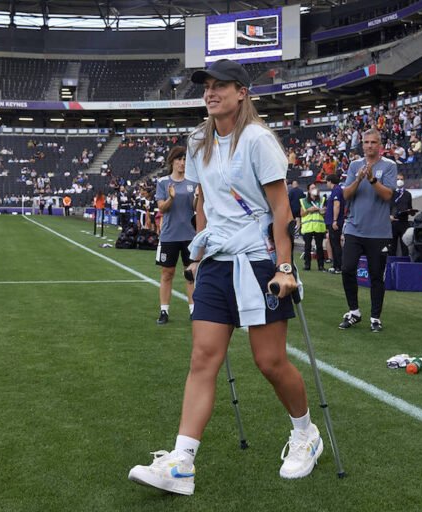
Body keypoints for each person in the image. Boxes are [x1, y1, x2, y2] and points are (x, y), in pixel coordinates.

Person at [128, 59, 322, 496]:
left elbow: (281, 209)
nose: (211, 93)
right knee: (203, 358)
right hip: (216, 260)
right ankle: (182, 462)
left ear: (242, 93)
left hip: (258, 259)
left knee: (269, 361)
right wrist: (198, 254)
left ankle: (306, 433)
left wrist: (285, 267)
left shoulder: (258, 140)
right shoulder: (199, 140)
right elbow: (203, 201)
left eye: (221, 86)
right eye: (207, 87)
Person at [339, 129, 397, 333]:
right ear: (362, 144)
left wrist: (372, 179)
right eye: (366, 142)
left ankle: (375, 317)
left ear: (380, 145)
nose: (370, 145)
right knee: (347, 268)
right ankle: (354, 311)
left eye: (373, 142)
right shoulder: (354, 165)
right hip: (354, 228)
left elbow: (388, 195)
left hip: (378, 232)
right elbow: (345, 195)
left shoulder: (389, 166)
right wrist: (358, 179)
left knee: (376, 276)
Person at [154, 145, 197, 324]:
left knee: (191, 274)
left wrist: (197, 197)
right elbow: (161, 208)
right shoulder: (163, 182)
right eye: (179, 159)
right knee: (167, 273)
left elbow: (195, 208)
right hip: (169, 235)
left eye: (185, 159)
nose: (182, 162)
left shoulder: (193, 182)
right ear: (172, 161)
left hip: (190, 236)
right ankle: (164, 311)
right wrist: (171, 198)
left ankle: (194, 311)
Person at [300, 182, 327, 271]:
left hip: (319, 226)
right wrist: (308, 210)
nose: (314, 189)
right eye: (312, 188)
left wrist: (322, 211)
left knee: (319, 247)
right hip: (308, 227)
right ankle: (307, 265)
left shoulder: (322, 200)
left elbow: (324, 212)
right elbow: (302, 214)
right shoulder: (304, 201)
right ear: (308, 191)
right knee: (307, 247)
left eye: (315, 188)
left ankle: (321, 266)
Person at [324, 173, 344, 274]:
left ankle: (338, 266)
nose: (326, 184)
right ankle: (335, 265)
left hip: (335, 222)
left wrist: (335, 220)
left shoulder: (337, 190)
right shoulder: (334, 191)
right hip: (331, 221)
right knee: (333, 243)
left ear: (330, 181)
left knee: (336, 244)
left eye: (327, 182)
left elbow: (337, 205)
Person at [390, 172, 413, 256]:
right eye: (397, 179)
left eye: (401, 179)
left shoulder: (407, 194)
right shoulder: (391, 193)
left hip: (404, 222)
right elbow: (387, 207)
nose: (399, 181)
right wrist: (389, 216)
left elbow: (410, 207)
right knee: (392, 247)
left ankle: (405, 263)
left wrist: (411, 211)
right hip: (393, 223)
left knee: (405, 247)